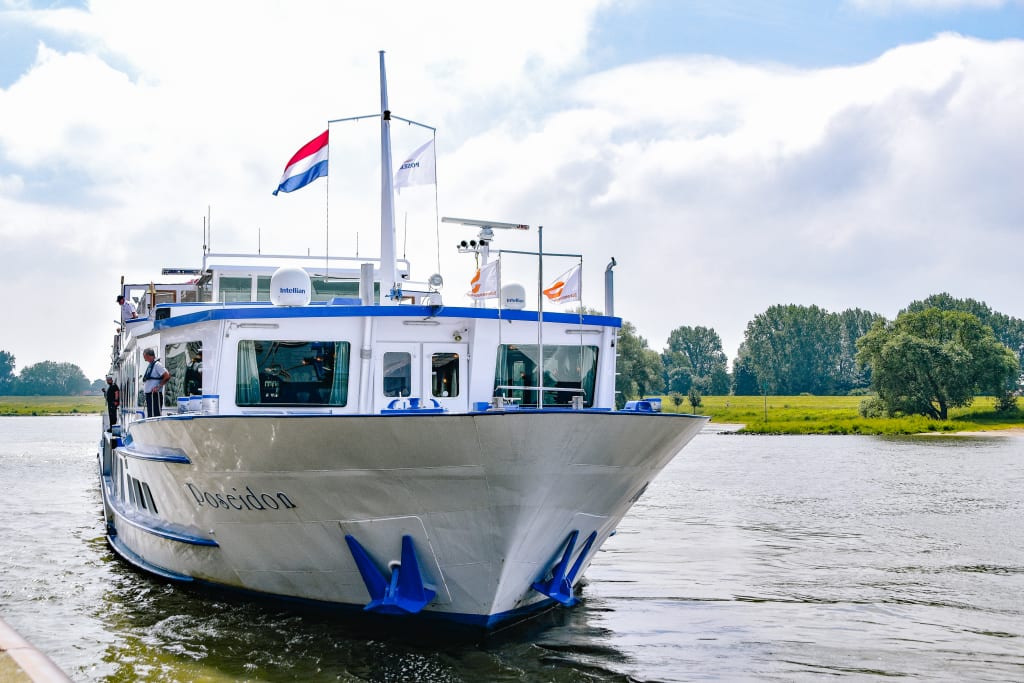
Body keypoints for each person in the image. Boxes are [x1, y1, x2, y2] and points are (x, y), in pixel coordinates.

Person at [141, 348, 170, 417]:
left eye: (145, 357)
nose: (145, 359)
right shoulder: (151, 365)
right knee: (151, 416)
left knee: (155, 416)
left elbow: (167, 376)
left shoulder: (157, 365)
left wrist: (158, 387)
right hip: (150, 396)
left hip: (155, 396)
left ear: (148, 355)